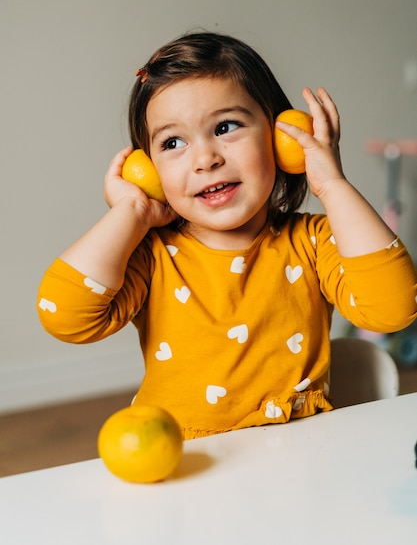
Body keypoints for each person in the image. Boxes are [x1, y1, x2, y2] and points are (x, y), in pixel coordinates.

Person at [37, 32, 417, 439]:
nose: (206, 159)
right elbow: (65, 318)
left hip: (300, 463)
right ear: (148, 168)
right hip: (188, 465)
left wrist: (333, 185)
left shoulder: (311, 241)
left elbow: (393, 309)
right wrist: (132, 212)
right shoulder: (153, 258)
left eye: (226, 126)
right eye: (173, 142)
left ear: (279, 137)